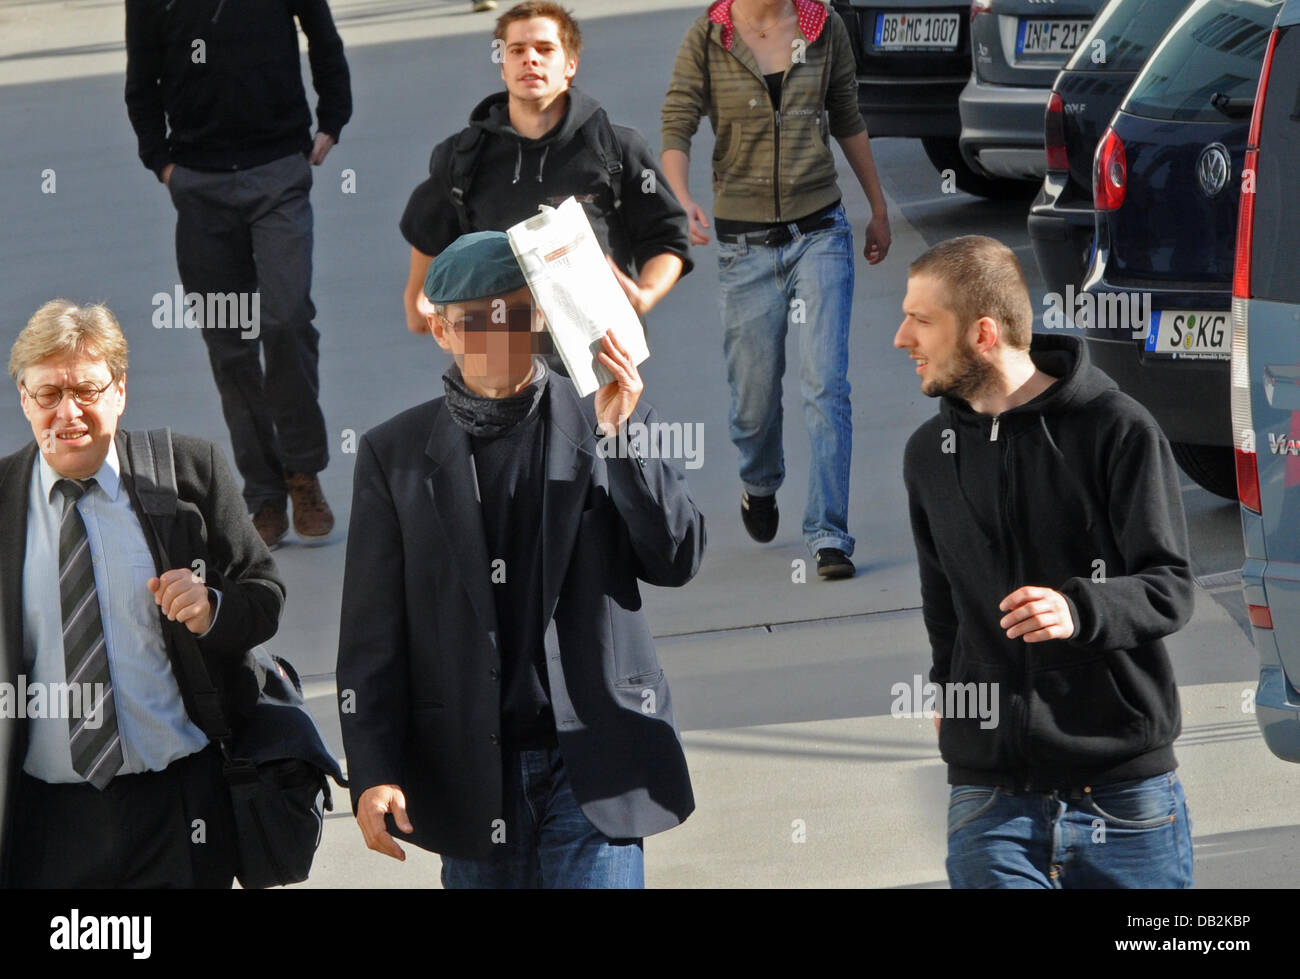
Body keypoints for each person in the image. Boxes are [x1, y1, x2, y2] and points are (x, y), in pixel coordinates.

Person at [337, 232, 704, 888]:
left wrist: (623, 443)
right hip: (471, 776)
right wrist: (373, 770)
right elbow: (371, 640)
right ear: (441, 330)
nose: (497, 334)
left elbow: (675, 555)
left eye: (512, 311)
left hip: (596, 758)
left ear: (537, 315)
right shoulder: (393, 457)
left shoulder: (605, 414)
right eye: (476, 321)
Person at [894, 236, 1195, 889]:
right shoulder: (928, 454)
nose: (900, 337)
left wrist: (1078, 607)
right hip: (989, 793)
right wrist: (949, 683)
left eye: (920, 320)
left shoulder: (1117, 428)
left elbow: (1170, 587)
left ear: (981, 333)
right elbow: (943, 603)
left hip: (1121, 790)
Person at [0, 300, 285, 888]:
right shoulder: (3, 501)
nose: (69, 412)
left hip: (179, 807)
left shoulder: (186, 472)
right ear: (24, 400)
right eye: (49, 394)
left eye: (86, 389)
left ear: (120, 391)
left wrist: (212, 610)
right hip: (48, 821)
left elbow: (264, 593)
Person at [660, 0, 891, 579]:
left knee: (826, 385)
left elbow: (846, 114)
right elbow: (677, 122)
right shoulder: (709, 36)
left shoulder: (822, 25)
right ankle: (759, 482)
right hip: (744, 246)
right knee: (754, 398)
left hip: (821, 231)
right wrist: (683, 199)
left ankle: (829, 534)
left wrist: (878, 208)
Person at [125, 0, 353, 548]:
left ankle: (302, 472)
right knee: (230, 345)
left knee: (285, 317)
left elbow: (324, 40)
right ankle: (264, 494)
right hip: (199, 186)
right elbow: (142, 77)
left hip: (277, 173)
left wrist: (333, 120)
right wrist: (161, 162)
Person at [400, 1, 692, 335]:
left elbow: (666, 234)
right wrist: (416, 300)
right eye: (517, 50)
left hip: (599, 345)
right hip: (497, 348)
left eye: (545, 49)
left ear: (571, 64)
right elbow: (427, 232)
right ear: (503, 66)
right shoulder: (462, 155)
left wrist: (646, 295)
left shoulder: (617, 147)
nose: (530, 59)